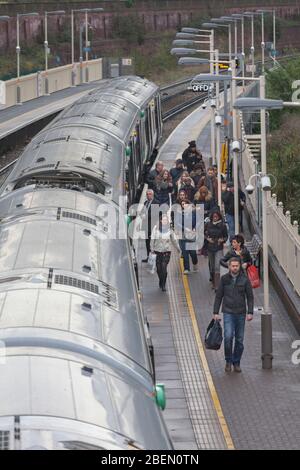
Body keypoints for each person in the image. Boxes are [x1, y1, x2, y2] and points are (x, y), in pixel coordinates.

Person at [213, 257, 254, 373]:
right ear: (229, 267)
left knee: (239, 340)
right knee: (228, 337)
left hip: (241, 313)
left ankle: (237, 362)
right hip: (228, 312)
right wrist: (215, 312)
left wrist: (250, 312)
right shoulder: (224, 279)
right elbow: (219, 296)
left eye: (237, 266)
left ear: (240, 266)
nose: (235, 268)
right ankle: (228, 361)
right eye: (233, 266)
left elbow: (250, 297)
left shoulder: (245, 280)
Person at [150, 214, 180, 292]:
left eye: (166, 220)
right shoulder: (156, 229)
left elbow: (174, 240)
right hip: (157, 252)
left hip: (166, 252)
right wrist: (151, 248)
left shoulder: (170, 230)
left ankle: (163, 284)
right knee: (158, 269)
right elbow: (152, 238)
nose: (165, 221)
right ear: (160, 221)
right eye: (163, 220)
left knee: (164, 267)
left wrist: (178, 248)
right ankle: (161, 279)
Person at [204, 211, 228, 289]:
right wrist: (207, 239)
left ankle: (217, 285)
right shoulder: (207, 225)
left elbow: (226, 236)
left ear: (219, 217)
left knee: (217, 266)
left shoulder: (223, 226)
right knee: (212, 266)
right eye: (214, 217)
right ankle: (213, 282)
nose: (215, 218)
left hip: (218, 247)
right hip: (210, 247)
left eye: (216, 217)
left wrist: (222, 240)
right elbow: (203, 233)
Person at [174, 199, 199, 274]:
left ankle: (195, 263)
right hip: (182, 235)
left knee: (192, 252)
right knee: (184, 252)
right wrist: (184, 228)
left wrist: (195, 228)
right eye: (182, 204)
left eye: (185, 204)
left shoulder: (194, 213)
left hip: (191, 234)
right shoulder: (179, 213)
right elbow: (177, 223)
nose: (184, 205)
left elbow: (198, 222)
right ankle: (186, 268)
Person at [140, 189, 159, 263]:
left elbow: (155, 214)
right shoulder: (145, 203)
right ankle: (148, 257)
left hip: (152, 226)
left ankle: (155, 258)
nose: (148, 195)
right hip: (146, 226)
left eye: (150, 194)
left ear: (153, 195)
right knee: (147, 242)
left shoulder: (155, 203)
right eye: (147, 194)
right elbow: (142, 212)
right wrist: (141, 215)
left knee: (153, 242)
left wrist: (146, 216)